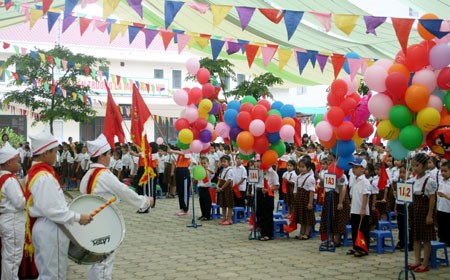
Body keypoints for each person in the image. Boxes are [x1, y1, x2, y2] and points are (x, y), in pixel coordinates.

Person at [80, 134, 153, 280]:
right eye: (108, 154)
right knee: (104, 262)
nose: (111, 157)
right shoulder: (103, 174)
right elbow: (123, 190)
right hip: (104, 223)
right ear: (101, 157)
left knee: (93, 260)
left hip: (89, 222)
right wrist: (144, 201)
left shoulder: (88, 174)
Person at [26, 130, 93, 279]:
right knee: (54, 275)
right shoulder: (44, 176)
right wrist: (78, 217)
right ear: (45, 153)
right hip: (51, 227)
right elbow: (53, 210)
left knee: (48, 273)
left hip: (46, 226)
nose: (56, 156)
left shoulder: (37, 172)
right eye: (55, 152)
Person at [408, 153, 437, 273]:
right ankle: (416, 260)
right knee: (415, 237)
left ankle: (425, 263)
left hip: (424, 210)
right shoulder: (412, 180)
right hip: (414, 210)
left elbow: (432, 198)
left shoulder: (429, 180)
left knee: (426, 238)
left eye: (417, 165)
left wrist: (430, 215)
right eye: (413, 165)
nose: (415, 168)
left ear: (424, 166)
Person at [0, 143, 26, 280]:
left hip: (6, 218)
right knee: (13, 257)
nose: (19, 164)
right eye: (17, 161)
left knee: (8, 256)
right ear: (9, 163)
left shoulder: (2, 177)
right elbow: (20, 203)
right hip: (13, 220)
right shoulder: (9, 179)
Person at [348, 158, 371, 257]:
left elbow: (366, 195)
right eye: (353, 167)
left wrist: (363, 208)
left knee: (362, 229)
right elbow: (353, 195)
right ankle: (355, 246)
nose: (353, 169)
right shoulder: (354, 180)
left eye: (356, 167)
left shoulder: (365, 181)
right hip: (354, 209)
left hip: (361, 210)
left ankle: (363, 248)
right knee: (355, 229)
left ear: (362, 169)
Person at [293, 158, 316, 240]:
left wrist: (310, 203)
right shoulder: (298, 177)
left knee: (307, 216)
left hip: (306, 199)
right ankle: (301, 232)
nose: (301, 168)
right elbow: (295, 189)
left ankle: (306, 233)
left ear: (308, 168)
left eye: (303, 167)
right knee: (302, 217)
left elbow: (311, 191)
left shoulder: (310, 178)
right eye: (300, 167)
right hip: (299, 199)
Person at [256, 166, 279, 241]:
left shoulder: (273, 173)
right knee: (260, 213)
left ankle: (268, 234)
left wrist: (268, 189)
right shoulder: (260, 171)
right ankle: (262, 232)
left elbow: (276, 186)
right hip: (260, 192)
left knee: (267, 213)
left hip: (268, 194)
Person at [170, 149, 194, 216]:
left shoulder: (188, 152)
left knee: (184, 191)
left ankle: (185, 208)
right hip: (179, 171)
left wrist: (173, 151)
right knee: (180, 191)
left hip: (184, 172)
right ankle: (182, 208)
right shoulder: (179, 155)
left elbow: (182, 153)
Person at [216, 155, 235, 225]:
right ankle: (224, 218)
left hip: (227, 189)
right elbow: (220, 179)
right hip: (221, 189)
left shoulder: (230, 170)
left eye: (225, 161)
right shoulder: (222, 170)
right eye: (222, 162)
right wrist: (217, 186)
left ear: (229, 162)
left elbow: (228, 181)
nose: (223, 163)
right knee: (223, 204)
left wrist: (222, 188)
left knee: (229, 204)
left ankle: (229, 219)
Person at [437, 161, 450, 246]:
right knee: (441, 225)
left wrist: (445, 196)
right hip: (441, 207)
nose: (443, 173)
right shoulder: (441, 181)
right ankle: (442, 239)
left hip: (448, 209)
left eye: (445, 171)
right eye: (442, 171)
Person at [197, 157, 214, 221]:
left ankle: (207, 215)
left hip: (207, 188)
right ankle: (203, 214)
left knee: (207, 202)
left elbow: (213, 172)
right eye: (202, 163)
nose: (203, 165)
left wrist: (207, 169)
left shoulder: (209, 170)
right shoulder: (200, 170)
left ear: (208, 163)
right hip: (201, 187)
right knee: (202, 202)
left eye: (205, 163)